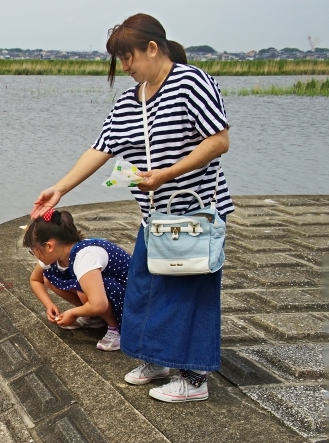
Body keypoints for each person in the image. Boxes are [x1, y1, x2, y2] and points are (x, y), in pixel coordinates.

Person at [30, 13, 233, 403]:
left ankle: (193, 379)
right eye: (120, 60)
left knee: (188, 294)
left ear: (152, 48)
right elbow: (100, 149)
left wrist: (166, 173)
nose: (125, 67)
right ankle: (156, 358)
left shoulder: (192, 83)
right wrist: (59, 188)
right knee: (145, 289)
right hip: (154, 218)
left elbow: (218, 141)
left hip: (194, 213)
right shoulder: (130, 100)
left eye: (128, 57)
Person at [24, 209, 131, 351]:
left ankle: (116, 329)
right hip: (110, 293)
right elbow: (36, 280)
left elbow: (99, 303)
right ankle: (96, 318)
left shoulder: (84, 256)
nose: (35, 255)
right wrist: (49, 304)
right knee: (49, 278)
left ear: (49, 246)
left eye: (33, 250)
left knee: (84, 289)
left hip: (130, 293)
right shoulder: (56, 253)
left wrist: (74, 313)